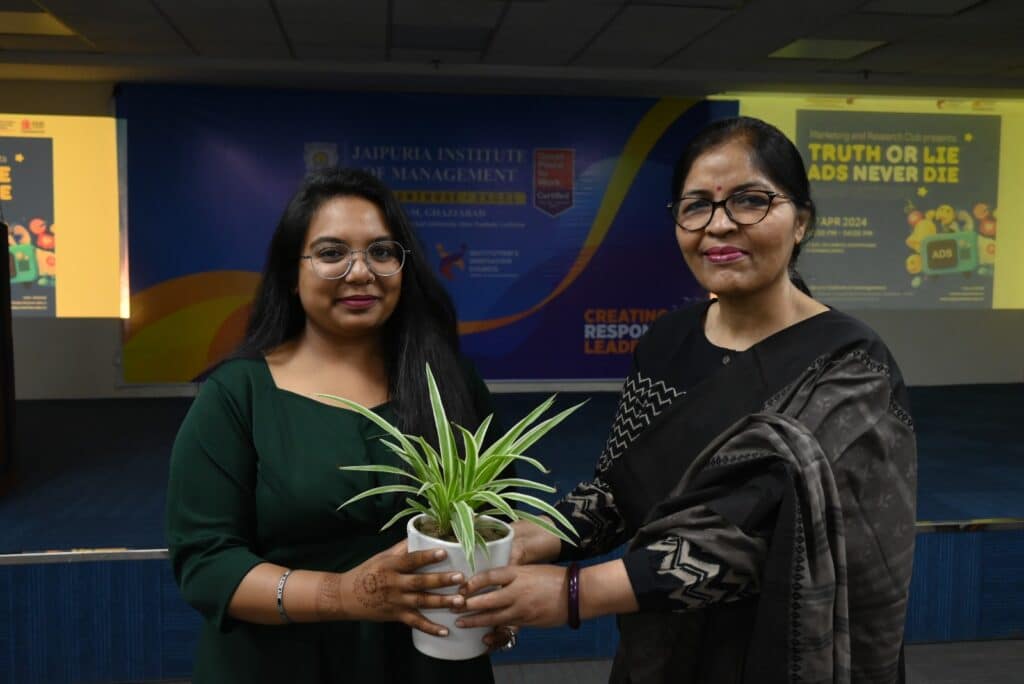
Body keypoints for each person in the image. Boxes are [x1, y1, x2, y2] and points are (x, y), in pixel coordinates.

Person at [456, 117, 917, 683]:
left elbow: (758, 540)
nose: (719, 225)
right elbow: (622, 487)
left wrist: (576, 591)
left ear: (801, 221)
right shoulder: (665, 342)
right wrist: (544, 534)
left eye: (751, 201)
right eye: (697, 206)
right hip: (660, 645)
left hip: (784, 648)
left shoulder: (850, 366)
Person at [166, 168, 505, 683]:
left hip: (431, 660)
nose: (361, 272)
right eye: (331, 253)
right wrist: (342, 595)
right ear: (291, 274)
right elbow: (205, 564)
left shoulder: (450, 384)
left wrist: (496, 602)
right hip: (281, 664)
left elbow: (496, 519)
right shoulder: (237, 395)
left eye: (382, 252)